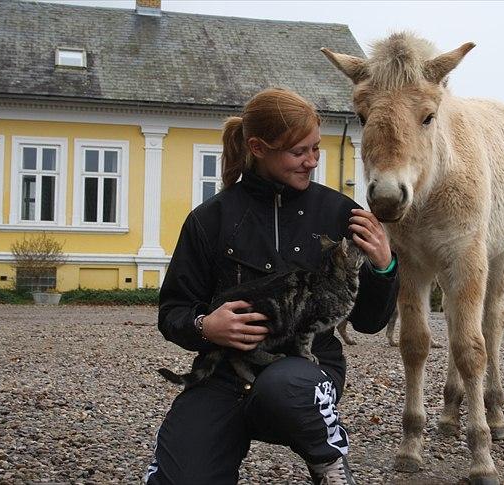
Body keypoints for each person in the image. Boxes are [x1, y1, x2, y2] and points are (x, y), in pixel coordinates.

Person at [145, 88, 399, 485]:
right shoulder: (209, 219)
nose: (312, 161)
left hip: (306, 373)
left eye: (316, 149)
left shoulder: (340, 214)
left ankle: (328, 460)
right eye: (299, 152)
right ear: (258, 147)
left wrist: (385, 266)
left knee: (287, 385)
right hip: (225, 373)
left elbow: (369, 322)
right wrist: (204, 327)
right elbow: (172, 312)